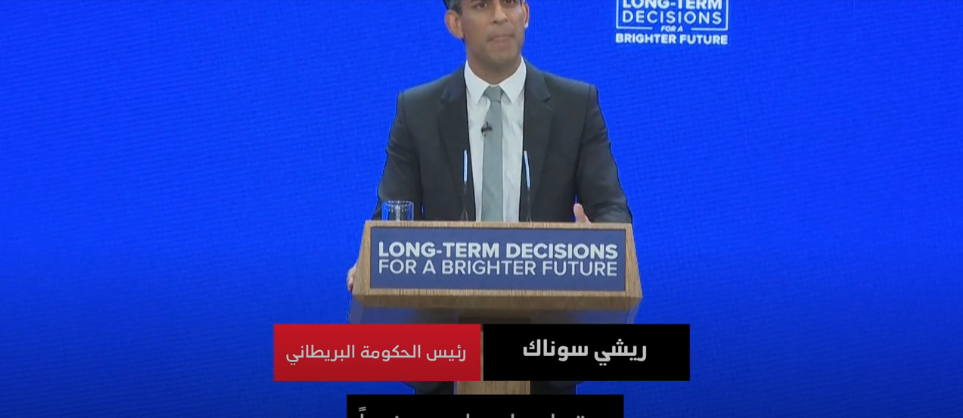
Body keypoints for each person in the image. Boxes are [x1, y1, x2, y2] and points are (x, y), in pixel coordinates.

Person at [346, 0, 632, 395]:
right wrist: (374, 259)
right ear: (455, 23)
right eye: (482, 5)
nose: (500, 15)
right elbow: (394, 213)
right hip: (443, 352)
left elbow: (611, 208)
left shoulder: (576, 105)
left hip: (546, 350)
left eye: (510, 2)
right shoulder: (417, 110)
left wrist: (598, 243)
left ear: (526, 13)